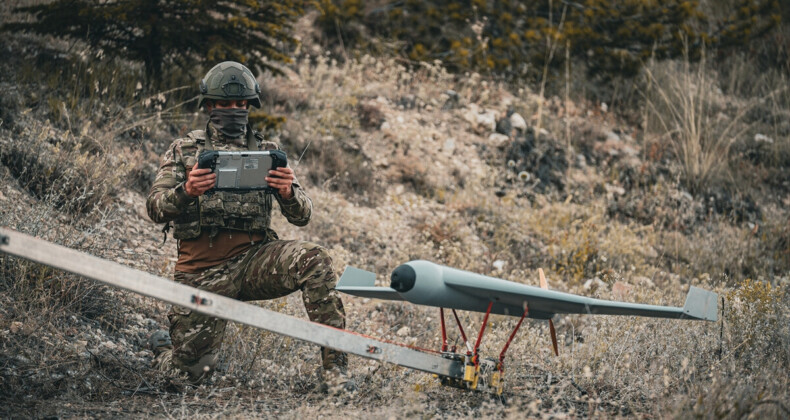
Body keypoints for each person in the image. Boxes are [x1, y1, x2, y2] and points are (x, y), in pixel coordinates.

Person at [146, 61, 351, 392]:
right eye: (225, 104)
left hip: (256, 260)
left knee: (315, 259)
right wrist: (187, 191)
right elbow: (155, 209)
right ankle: (164, 352)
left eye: (240, 104)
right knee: (187, 376)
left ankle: (335, 372)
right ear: (210, 105)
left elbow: (303, 215)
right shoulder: (184, 150)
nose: (233, 111)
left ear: (249, 106)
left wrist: (287, 192)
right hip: (203, 271)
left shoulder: (267, 151)